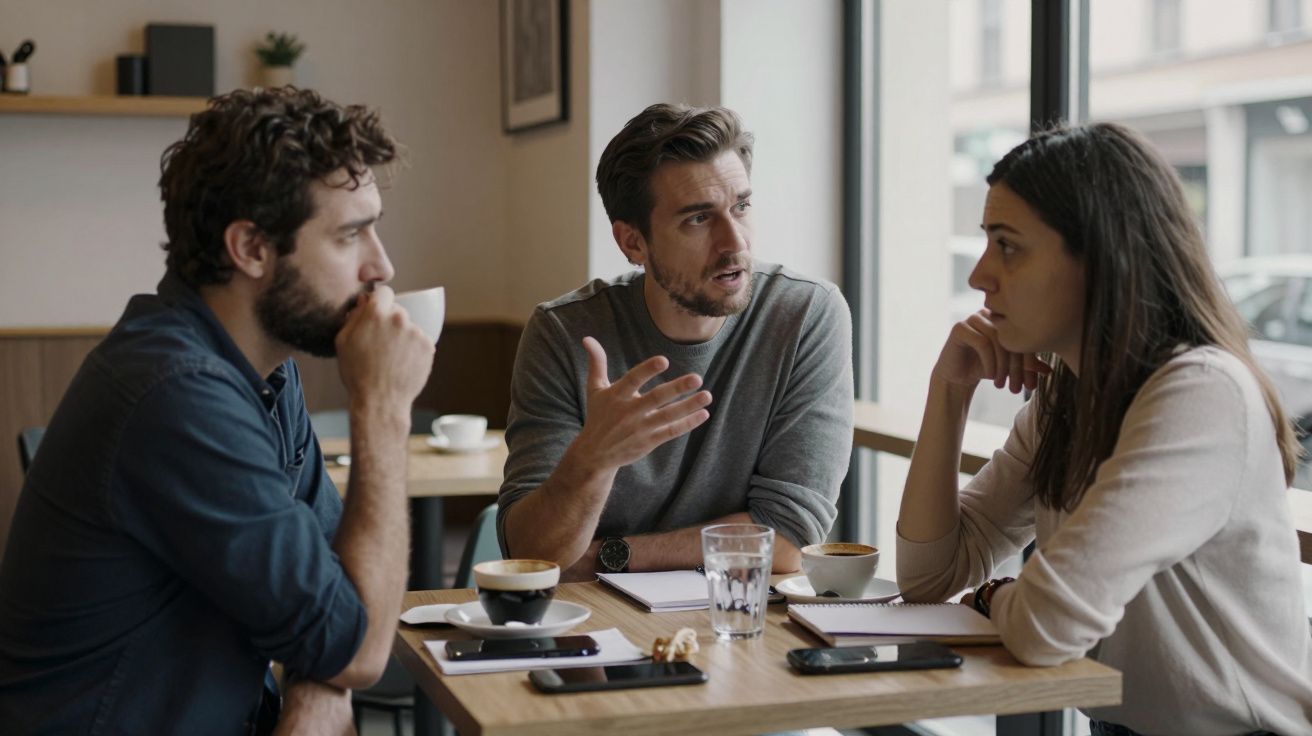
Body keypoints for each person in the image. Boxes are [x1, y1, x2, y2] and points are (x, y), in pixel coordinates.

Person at [0, 87, 435, 734]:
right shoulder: (174, 392)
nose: (383, 265)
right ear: (251, 249)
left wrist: (321, 687)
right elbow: (359, 646)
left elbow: (342, 602)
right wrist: (382, 406)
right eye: (350, 235)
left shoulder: (263, 371)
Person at [896, 122, 1312, 735]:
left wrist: (992, 601)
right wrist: (949, 392)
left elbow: (1046, 625)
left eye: (1007, 246)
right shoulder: (1070, 393)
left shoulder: (1200, 392)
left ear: (1102, 255)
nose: (980, 276)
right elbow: (931, 575)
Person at [498, 103, 854, 581]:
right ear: (633, 243)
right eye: (698, 219)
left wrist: (610, 556)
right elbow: (533, 554)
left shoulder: (805, 316)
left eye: (741, 206)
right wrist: (593, 460)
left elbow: (790, 537)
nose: (735, 243)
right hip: (597, 632)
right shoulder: (565, 334)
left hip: (741, 623)